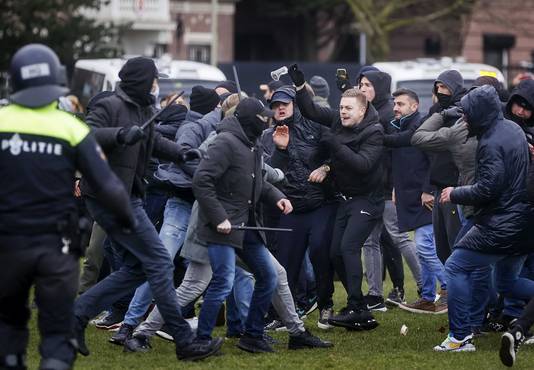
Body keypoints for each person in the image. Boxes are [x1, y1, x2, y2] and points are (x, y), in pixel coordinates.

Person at [73, 56, 223, 361]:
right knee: (159, 262)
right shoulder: (110, 106)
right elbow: (86, 138)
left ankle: (75, 315)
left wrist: (183, 153)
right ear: (143, 81)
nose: (158, 85)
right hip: (110, 198)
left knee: (137, 268)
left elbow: (153, 143)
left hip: (128, 197)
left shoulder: (144, 109)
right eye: (155, 79)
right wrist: (119, 135)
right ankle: (185, 341)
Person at [0, 43, 135, 370]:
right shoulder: (71, 128)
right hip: (56, 248)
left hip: (7, 246)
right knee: (58, 338)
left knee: (8, 331)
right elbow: (108, 186)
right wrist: (128, 220)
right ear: (56, 84)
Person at [434, 85, 534, 352]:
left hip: (503, 224)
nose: (464, 119)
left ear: (480, 113)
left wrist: (455, 193)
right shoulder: (513, 128)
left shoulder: (490, 143)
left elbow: (489, 188)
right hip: (523, 222)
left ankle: (459, 338)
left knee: (455, 266)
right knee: (506, 283)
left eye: (467, 115)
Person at [192, 97, 295, 353]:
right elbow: (201, 181)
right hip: (222, 228)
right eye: (263, 119)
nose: (267, 122)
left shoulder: (253, 143)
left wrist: (277, 197)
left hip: (246, 226)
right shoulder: (225, 142)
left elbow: (257, 181)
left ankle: (252, 336)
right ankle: (201, 341)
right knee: (223, 282)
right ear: (251, 120)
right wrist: (219, 218)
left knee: (268, 277)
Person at [289, 64, 385, 330]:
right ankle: (361, 308)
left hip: (368, 200)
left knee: (347, 248)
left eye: (348, 108)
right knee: (334, 253)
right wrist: (299, 86)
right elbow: (310, 110)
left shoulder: (374, 131)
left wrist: (333, 145)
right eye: (341, 107)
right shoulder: (336, 120)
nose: (342, 112)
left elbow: (362, 164)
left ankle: (356, 306)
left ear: (362, 110)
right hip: (346, 198)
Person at [261, 86, 336, 329]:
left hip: (320, 203)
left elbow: (337, 154)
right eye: (275, 105)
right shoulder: (267, 136)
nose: (279, 108)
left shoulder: (317, 126)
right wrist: (280, 150)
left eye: (284, 103)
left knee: (319, 253)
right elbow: (268, 174)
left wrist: (325, 168)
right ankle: (284, 314)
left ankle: (326, 305)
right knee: (285, 264)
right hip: (289, 207)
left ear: (296, 104)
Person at [381, 88, 446, 314]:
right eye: (395, 104)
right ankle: (428, 297)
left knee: (426, 247)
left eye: (401, 104)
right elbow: (399, 162)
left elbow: (434, 160)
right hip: (408, 195)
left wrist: (428, 189)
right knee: (422, 250)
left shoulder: (422, 126)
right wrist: (396, 188)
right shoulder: (399, 126)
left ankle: (450, 287)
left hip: (424, 198)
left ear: (415, 106)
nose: (396, 108)